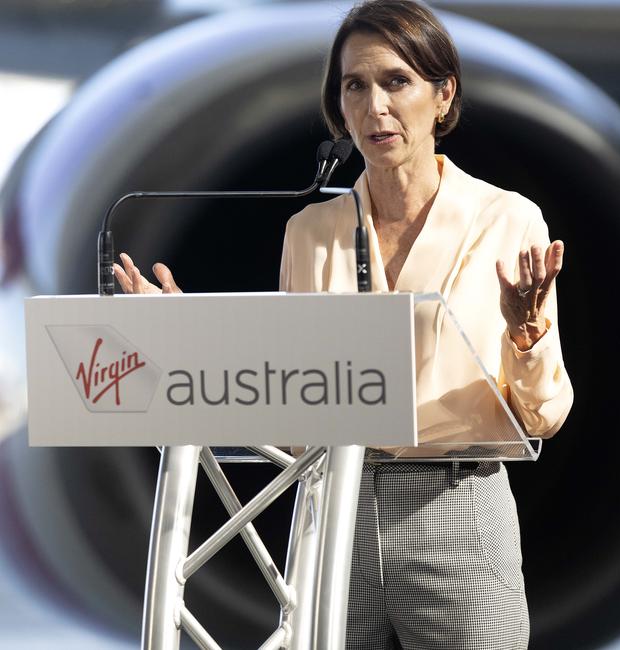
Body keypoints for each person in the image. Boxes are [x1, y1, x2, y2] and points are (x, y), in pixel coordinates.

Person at [115, 1, 573, 647]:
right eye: (354, 85)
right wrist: (186, 346)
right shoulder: (310, 232)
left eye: (396, 82)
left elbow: (542, 416)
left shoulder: (508, 220)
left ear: (443, 96)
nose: (374, 106)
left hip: (455, 506)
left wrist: (527, 335)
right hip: (334, 512)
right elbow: (292, 401)